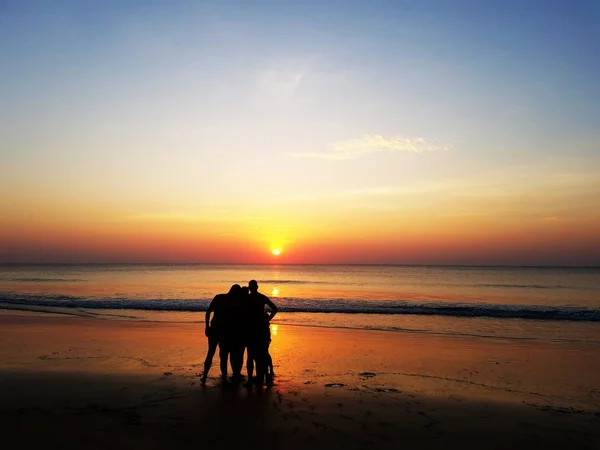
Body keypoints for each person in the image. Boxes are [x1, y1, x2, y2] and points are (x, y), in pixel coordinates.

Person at [201, 284, 240, 385]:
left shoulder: (218, 297)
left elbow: (208, 312)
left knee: (211, 353)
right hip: (224, 331)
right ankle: (223, 378)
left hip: (214, 328)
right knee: (223, 355)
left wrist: (207, 326)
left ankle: (205, 376)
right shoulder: (234, 302)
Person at [245, 279, 278, 387]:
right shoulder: (262, 297)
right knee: (263, 354)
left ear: (250, 288)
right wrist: (268, 319)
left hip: (250, 328)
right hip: (261, 328)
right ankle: (266, 377)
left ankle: (250, 380)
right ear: (257, 287)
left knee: (250, 355)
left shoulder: (247, 298)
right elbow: (274, 309)